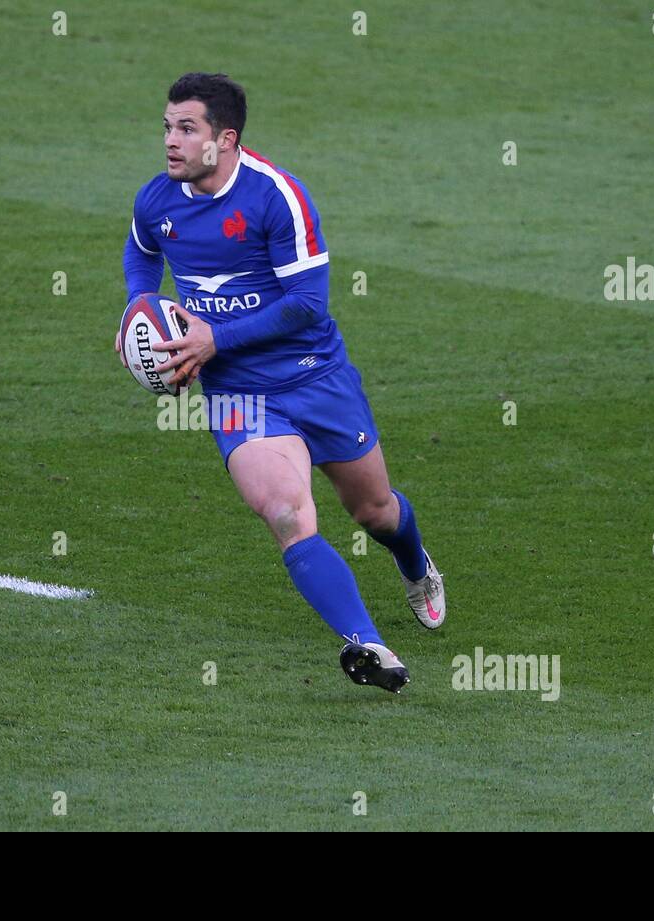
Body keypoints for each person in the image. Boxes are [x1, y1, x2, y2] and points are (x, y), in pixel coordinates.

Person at [118, 73, 445, 692]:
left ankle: (414, 562)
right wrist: (139, 304)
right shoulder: (156, 201)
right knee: (288, 512)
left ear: (226, 138)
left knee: (374, 511)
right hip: (237, 392)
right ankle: (368, 644)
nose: (171, 141)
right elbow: (142, 251)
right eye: (167, 126)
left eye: (187, 129)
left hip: (314, 376)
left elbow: (307, 304)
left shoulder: (277, 197)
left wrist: (214, 338)